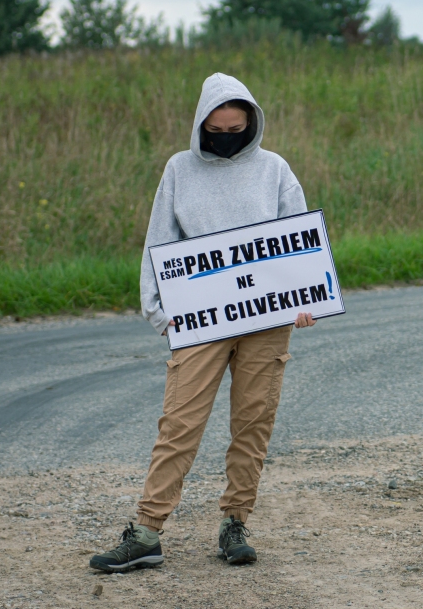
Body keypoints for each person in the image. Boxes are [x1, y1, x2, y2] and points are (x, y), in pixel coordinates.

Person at [90, 73, 318, 573]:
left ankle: (235, 521)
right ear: (201, 125)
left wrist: (307, 299)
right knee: (180, 422)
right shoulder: (179, 169)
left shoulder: (274, 169)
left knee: (253, 421)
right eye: (215, 129)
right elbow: (158, 242)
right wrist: (160, 313)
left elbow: (298, 241)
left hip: (268, 318)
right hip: (198, 318)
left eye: (236, 127)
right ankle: (147, 531)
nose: (226, 137)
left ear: (251, 122)